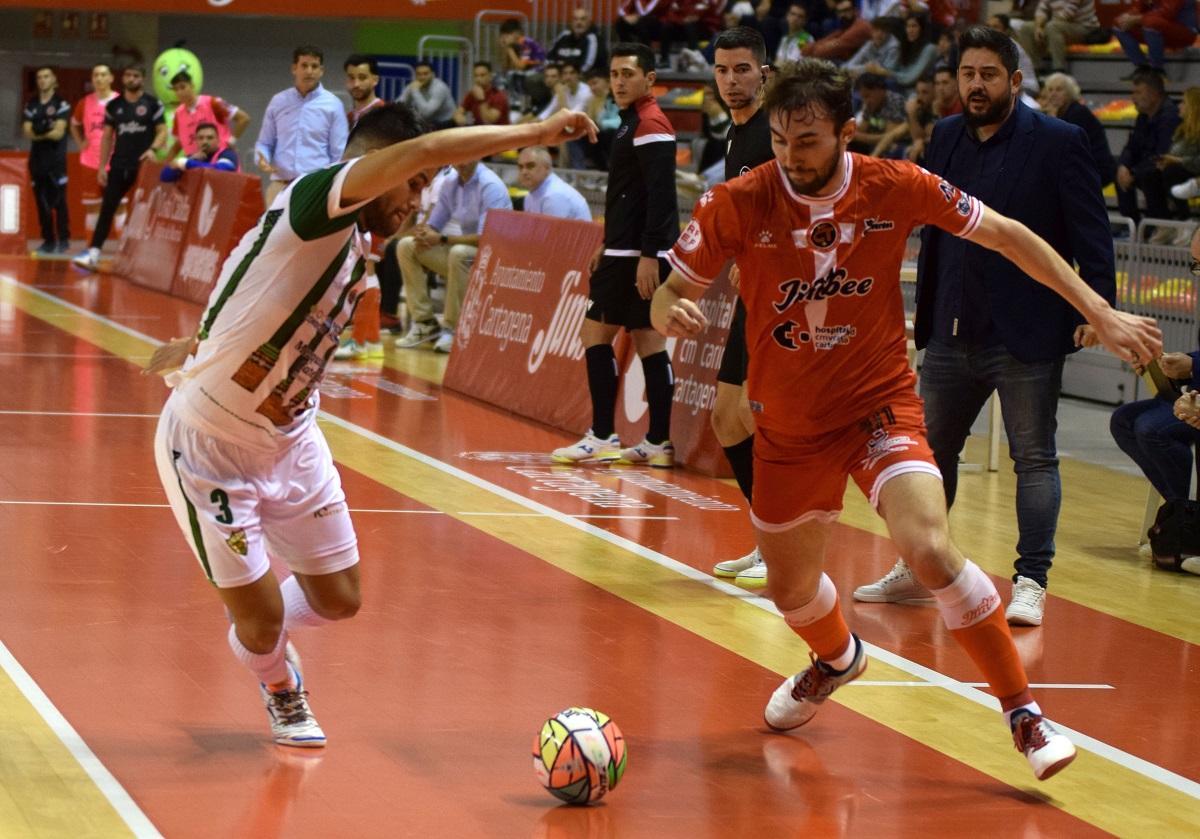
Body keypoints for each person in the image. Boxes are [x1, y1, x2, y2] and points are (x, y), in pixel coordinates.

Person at [652, 57, 1160, 783]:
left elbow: (1009, 235)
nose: (791, 158)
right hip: (790, 423)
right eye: (779, 141)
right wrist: (667, 307)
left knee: (927, 547)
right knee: (792, 593)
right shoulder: (738, 200)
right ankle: (837, 658)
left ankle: (1024, 711)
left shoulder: (895, 185)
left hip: (877, 402)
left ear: (847, 134)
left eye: (808, 141)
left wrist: (1099, 310)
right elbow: (667, 290)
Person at [144, 102, 595, 749]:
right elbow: (423, 151)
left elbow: (254, 294)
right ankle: (279, 683)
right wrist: (535, 133)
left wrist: (199, 340)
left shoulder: (355, 244)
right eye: (413, 184)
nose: (419, 198)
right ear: (375, 168)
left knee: (341, 597)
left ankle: (261, 628)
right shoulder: (315, 201)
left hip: (291, 438)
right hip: (212, 446)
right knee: (264, 618)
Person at [854, 25, 1119, 626]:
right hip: (950, 327)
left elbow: (1091, 235)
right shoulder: (945, 136)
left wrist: (1095, 305)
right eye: (968, 74)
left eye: (988, 75)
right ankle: (919, 566)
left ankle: (1031, 579)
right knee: (926, 457)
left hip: (1026, 333)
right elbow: (916, 216)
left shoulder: (1059, 140)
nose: (976, 85)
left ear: (1015, 81)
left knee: (1034, 458)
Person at [552, 43, 679, 468]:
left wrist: (649, 255)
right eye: (614, 74)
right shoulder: (630, 123)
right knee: (647, 340)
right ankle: (658, 441)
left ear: (650, 78)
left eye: (628, 73)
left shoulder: (651, 124)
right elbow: (627, 194)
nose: (620, 81)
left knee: (595, 335)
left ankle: (603, 434)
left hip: (636, 256)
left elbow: (662, 198)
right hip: (623, 249)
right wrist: (605, 241)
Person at [693, 28, 778, 586]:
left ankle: (784, 544)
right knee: (727, 420)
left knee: (766, 423)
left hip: (783, 300)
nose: (731, 80)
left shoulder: (777, 131)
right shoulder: (733, 131)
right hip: (750, 295)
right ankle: (770, 537)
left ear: (764, 73)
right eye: (722, 71)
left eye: (742, 69)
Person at [393, 159, 512, 353]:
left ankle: (453, 329)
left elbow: (487, 239)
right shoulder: (451, 183)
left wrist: (441, 238)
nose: (461, 161)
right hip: (466, 256)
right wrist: (426, 233)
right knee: (406, 246)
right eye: (458, 155)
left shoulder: (490, 185)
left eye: (467, 155)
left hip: (496, 260)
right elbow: (435, 222)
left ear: (478, 155)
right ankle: (425, 322)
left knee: (458, 253)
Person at [72, 65, 166, 272]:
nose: (131, 79)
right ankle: (94, 252)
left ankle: (137, 255)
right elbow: (107, 137)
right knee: (107, 208)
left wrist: (153, 149)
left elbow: (162, 132)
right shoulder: (114, 106)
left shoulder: (152, 104)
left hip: (144, 166)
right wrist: (102, 167)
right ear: (122, 78)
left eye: (135, 75)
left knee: (143, 210)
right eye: (128, 75)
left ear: (143, 79)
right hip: (118, 165)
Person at [254, 46, 348, 206]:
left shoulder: (333, 105)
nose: (309, 71)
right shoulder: (278, 101)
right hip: (280, 187)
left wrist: (331, 188)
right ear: (294, 68)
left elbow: (338, 153)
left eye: (314, 66)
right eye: (304, 65)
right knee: (271, 232)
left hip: (315, 188)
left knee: (313, 231)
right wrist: (262, 158)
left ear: (321, 71)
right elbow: (265, 143)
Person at [1116, 67, 1182, 228]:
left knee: (1149, 175)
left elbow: (1163, 153)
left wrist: (1134, 172)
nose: (1133, 98)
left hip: (1169, 167)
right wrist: (1124, 166)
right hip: (1146, 165)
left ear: (1154, 94)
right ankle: (1133, 225)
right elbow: (1132, 146)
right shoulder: (1143, 116)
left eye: (1138, 92)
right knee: (1117, 170)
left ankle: (1158, 226)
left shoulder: (1170, 116)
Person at [22, 66, 71, 255]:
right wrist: (44, 132)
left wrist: (38, 131)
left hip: (56, 161)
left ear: (54, 80)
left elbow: (58, 132)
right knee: (41, 204)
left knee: (59, 202)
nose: (42, 80)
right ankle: (48, 241)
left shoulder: (61, 104)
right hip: (36, 161)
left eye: (46, 76)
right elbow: (26, 131)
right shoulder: (31, 104)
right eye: (39, 77)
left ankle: (64, 240)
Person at [1041, 72, 1117, 187]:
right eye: (1050, 90)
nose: (1053, 94)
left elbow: (1062, 146)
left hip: (1095, 168)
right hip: (1076, 167)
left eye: (1059, 90)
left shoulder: (1078, 112)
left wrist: (1052, 118)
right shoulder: (1058, 113)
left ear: (1069, 93)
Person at [69, 63, 117, 240]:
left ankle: (122, 253)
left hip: (115, 163)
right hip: (90, 162)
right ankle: (90, 248)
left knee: (119, 206)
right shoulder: (85, 102)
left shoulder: (121, 102)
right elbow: (74, 124)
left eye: (103, 75)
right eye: (96, 75)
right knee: (92, 207)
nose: (99, 78)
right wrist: (80, 142)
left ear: (111, 78)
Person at [166, 70, 250, 161]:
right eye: (176, 89)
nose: (180, 92)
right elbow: (179, 143)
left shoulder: (213, 102)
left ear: (192, 85)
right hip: (195, 166)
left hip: (220, 162)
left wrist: (232, 140)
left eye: (183, 87)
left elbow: (243, 118)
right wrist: (164, 165)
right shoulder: (178, 114)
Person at [1015, 0, 1104, 74]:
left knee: (1053, 27)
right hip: (1057, 23)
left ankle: (1059, 70)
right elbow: (1041, 10)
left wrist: (1044, 29)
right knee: (1026, 28)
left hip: (1084, 27)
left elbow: (1068, 13)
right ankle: (1035, 69)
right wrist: (1038, 27)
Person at [1114, 0, 1197, 77]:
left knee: (1151, 23)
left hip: (1184, 33)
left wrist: (1137, 19)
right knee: (1119, 24)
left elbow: (1167, 13)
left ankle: (1157, 69)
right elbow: (1137, 9)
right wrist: (1128, 17)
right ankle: (1142, 68)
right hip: (1160, 30)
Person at [518, 146, 592, 220]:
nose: (524, 172)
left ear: (547, 168)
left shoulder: (554, 195)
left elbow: (551, 231)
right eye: (521, 167)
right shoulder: (529, 196)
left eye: (531, 166)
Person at [160, 122, 240, 182]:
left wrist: (187, 163)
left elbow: (223, 169)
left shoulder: (228, 154)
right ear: (196, 141)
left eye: (210, 138)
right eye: (201, 138)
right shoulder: (193, 157)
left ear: (218, 140)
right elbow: (165, 177)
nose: (205, 141)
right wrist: (190, 160)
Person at [849, 72, 907, 155]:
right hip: (873, 144)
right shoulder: (870, 103)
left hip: (894, 146)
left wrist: (859, 137)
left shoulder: (895, 102)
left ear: (879, 90)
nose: (865, 100)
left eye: (867, 96)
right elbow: (861, 130)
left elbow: (888, 137)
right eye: (863, 97)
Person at [803, 0, 872, 62]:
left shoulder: (861, 26)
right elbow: (822, 42)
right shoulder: (845, 28)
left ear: (856, 11)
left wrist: (813, 51)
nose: (843, 15)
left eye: (846, 10)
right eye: (839, 12)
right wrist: (811, 49)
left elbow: (826, 51)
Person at [548, 6, 608, 74]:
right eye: (575, 19)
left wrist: (568, 71)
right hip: (559, 76)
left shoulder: (593, 39)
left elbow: (588, 65)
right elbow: (549, 58)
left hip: (585, 76)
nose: (579, 22)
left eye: (583, 19)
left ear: (589, 22)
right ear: (571, 22)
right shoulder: (564, 35)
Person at [399, 62, 457, 130]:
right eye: (419, 74)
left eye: (425, 74)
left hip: (445, 124)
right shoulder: (413, 86)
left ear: (433, 74)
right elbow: (399, 104)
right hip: (428, 123)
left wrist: (415, 91)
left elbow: (426, 113)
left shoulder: (440, 88)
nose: (422, 77)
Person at [454, 62, 510, 128]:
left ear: (490, 77)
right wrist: (460, 118)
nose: (478, 79)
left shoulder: (499, 96)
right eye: (476, 76)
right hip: (479, 131)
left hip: (498, 133)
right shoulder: (472, 94)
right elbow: (458, 112)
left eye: (482, 75)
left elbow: (489, 121)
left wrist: (481, 100)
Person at [344, 54, 385, 128]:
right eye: (351, 78)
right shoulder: (348, 118)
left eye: (362, 78)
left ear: (375, 80)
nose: (356, 84)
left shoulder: (385, 113)